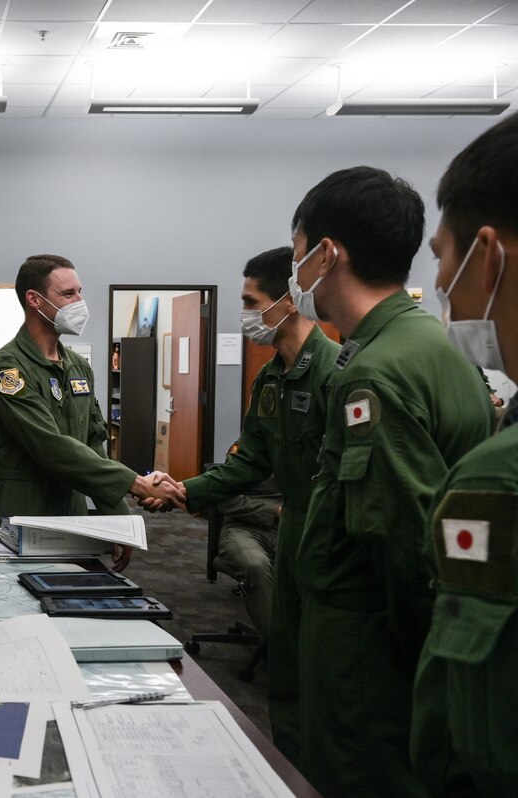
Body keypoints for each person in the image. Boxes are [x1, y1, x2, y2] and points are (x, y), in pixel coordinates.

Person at [287, 166, 493, 797]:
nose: (296, 277)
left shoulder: (374, 374)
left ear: (327, 253)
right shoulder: (432, 345)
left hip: (368, 665)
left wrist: (419, 673)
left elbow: (404, 546)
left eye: (298, 256)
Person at [144, 246, 339, 764]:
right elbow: (248, 461)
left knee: (329, 672)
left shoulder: (337, 373)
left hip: (330, 538)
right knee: (288, 670)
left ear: (289, 300)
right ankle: (292, 769)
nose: (246, 314)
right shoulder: (269, 379)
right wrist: (188, 491)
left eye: (251, 301)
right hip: (294, 532)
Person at [411, 112, 518, 796]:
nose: (442, 281)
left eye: (442, 255)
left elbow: (476, 745)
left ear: (487, 254)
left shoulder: (498, 479)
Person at [0, 254, 182, 569]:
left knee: (71, 600)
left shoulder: (77, 367)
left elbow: (94, 445)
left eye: (79, 292)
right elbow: (50, 448)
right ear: (34, 300)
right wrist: (135, 482)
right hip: (22, 512)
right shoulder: (7, 371)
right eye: (68, 294)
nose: (79, 302)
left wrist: (118, 521)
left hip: (72, 511)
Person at [212, 478, 283, 640]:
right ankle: (278, 645)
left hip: (294, 526)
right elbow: (228, 502)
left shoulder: (312, 455)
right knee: (256, 564)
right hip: (245, 527)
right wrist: (275, 511)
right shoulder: (246, 453)